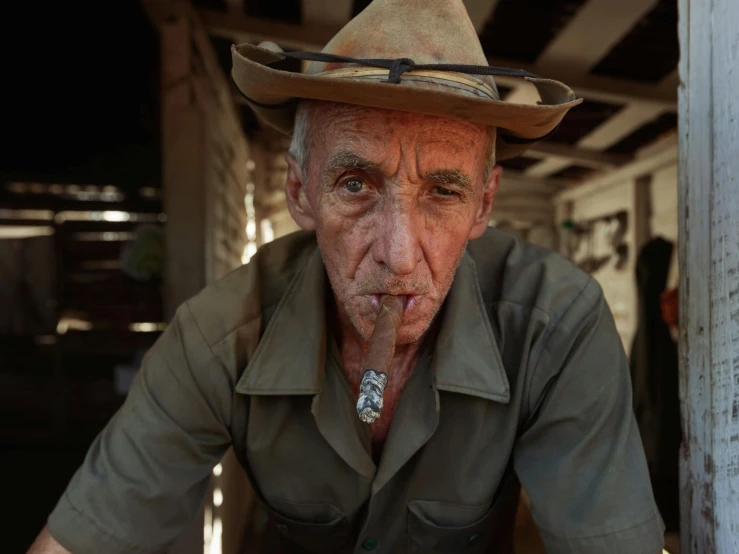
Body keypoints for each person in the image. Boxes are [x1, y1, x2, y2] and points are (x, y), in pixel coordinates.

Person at [29, 0, 665, 552]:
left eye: (443, 190)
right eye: (356, 184)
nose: (398, 254)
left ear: (484, 206)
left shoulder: (557, 327)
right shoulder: (218, 335)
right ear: (301, 193)